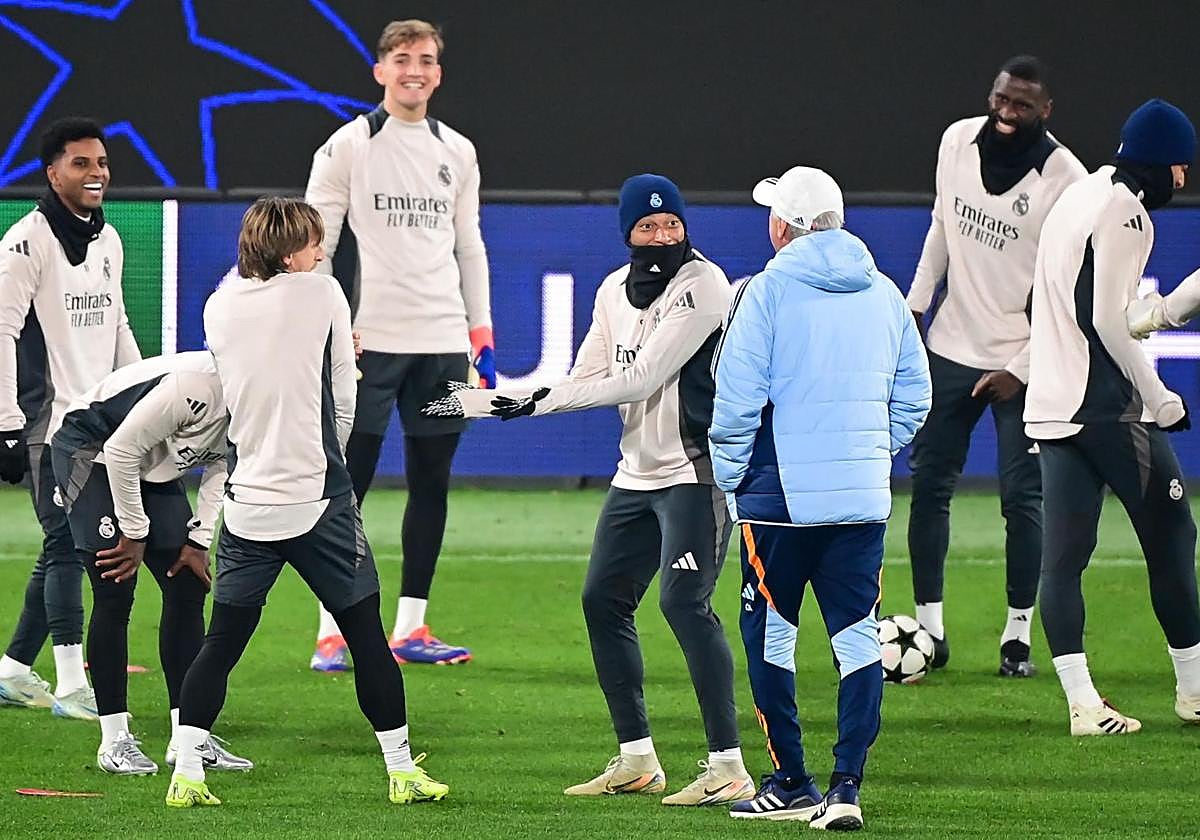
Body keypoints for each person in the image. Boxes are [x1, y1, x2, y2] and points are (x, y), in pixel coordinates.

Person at [424, 175, 753, 807]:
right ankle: (636, 759)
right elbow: (584, 378)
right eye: (648, 228)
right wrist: (495, 403)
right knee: (602, 601)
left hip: (692, 472)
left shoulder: (703, 286)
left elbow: (639, 380)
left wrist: (511, 403)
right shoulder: (609, 289)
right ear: (627, 231)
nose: (663, 236)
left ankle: (728, 765)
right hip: (635, 474)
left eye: (673, 226)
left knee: (685, 606)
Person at [163, 197, 447, 808]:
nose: (323, 253)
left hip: (244, 505)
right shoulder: (321, 293)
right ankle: (401, 772)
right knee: (367, 638)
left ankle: (186, 772)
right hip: (317, 500)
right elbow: (345, 395)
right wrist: (329, 459)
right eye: (315, 244)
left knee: (222, 644)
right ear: (293, 252)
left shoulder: (219, 305)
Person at [710, 167, 930, 828]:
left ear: (785, 226)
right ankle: (847, 788)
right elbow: (915, 398)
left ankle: (791, 782)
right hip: (859, 504)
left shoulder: (764, 292)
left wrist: (730, 482)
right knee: (858, 641)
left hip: (777, 504)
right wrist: (865, 455)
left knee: (772, 638)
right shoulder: (886, 293)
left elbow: (735, 402)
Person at [304, 18, 492, 669]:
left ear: (439, 72)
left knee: (432, 482)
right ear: (380, 69)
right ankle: (333, 630)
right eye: (403, 58)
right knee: (347, 486)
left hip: (442, 343)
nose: (416, 70)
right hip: (369, 345)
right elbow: (315, 246)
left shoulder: (459, 151)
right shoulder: (347, 147)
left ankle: (411, 627)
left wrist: (481, 331)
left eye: (428, 60)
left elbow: (469, 244)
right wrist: (329, 325)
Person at [905, 56, 1087, 676]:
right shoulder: (956, 139)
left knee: (1023, 500)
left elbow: (1071, 287)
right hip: (952, 347)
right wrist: (916, 304)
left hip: (1023, 361)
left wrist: (1025, 364)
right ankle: (929, 631)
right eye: (1001, 100)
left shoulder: (1066, 177)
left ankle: (1017, 637)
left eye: (1022, 106)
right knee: (928, 487)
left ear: (1046, 111)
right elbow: (940, 226)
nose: (1007, 115)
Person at [1025, 99, 1200, 735]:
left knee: (1063, 559)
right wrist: (1156, 395)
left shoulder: (1081, 192)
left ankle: (1082, 704)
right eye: (1180, 167)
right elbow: (1104, 320)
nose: (1183, 181)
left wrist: (1159, 314)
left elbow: (1082, 306)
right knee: (1174, 532)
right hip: (1103, 406)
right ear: (1160, 163)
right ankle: (1194, 690)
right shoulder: (1127, 212)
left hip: (1050, 404)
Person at [50, 350, 251, 775]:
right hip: (92, 448)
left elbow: (223, 463)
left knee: (187, 582)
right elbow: (121, 449)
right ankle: (114, 741)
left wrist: (199, 538)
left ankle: (189, 738)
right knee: (114, 586)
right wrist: (135, 531)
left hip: (148, 462)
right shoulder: (195, 386)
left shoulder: (261, 395)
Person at [0, 117, 141, 719]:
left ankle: (9, 670)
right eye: (81, 163)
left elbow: (118, 325)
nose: (97, 173)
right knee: (65, 546)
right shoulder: (22, 245)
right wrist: (6, 422)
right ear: (52, 172)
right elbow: (2, 333)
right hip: (44, 424)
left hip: (96, 422)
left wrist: (140, 394)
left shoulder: (108, 240)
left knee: (62, 545)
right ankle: (71, 685)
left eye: (102, 162)